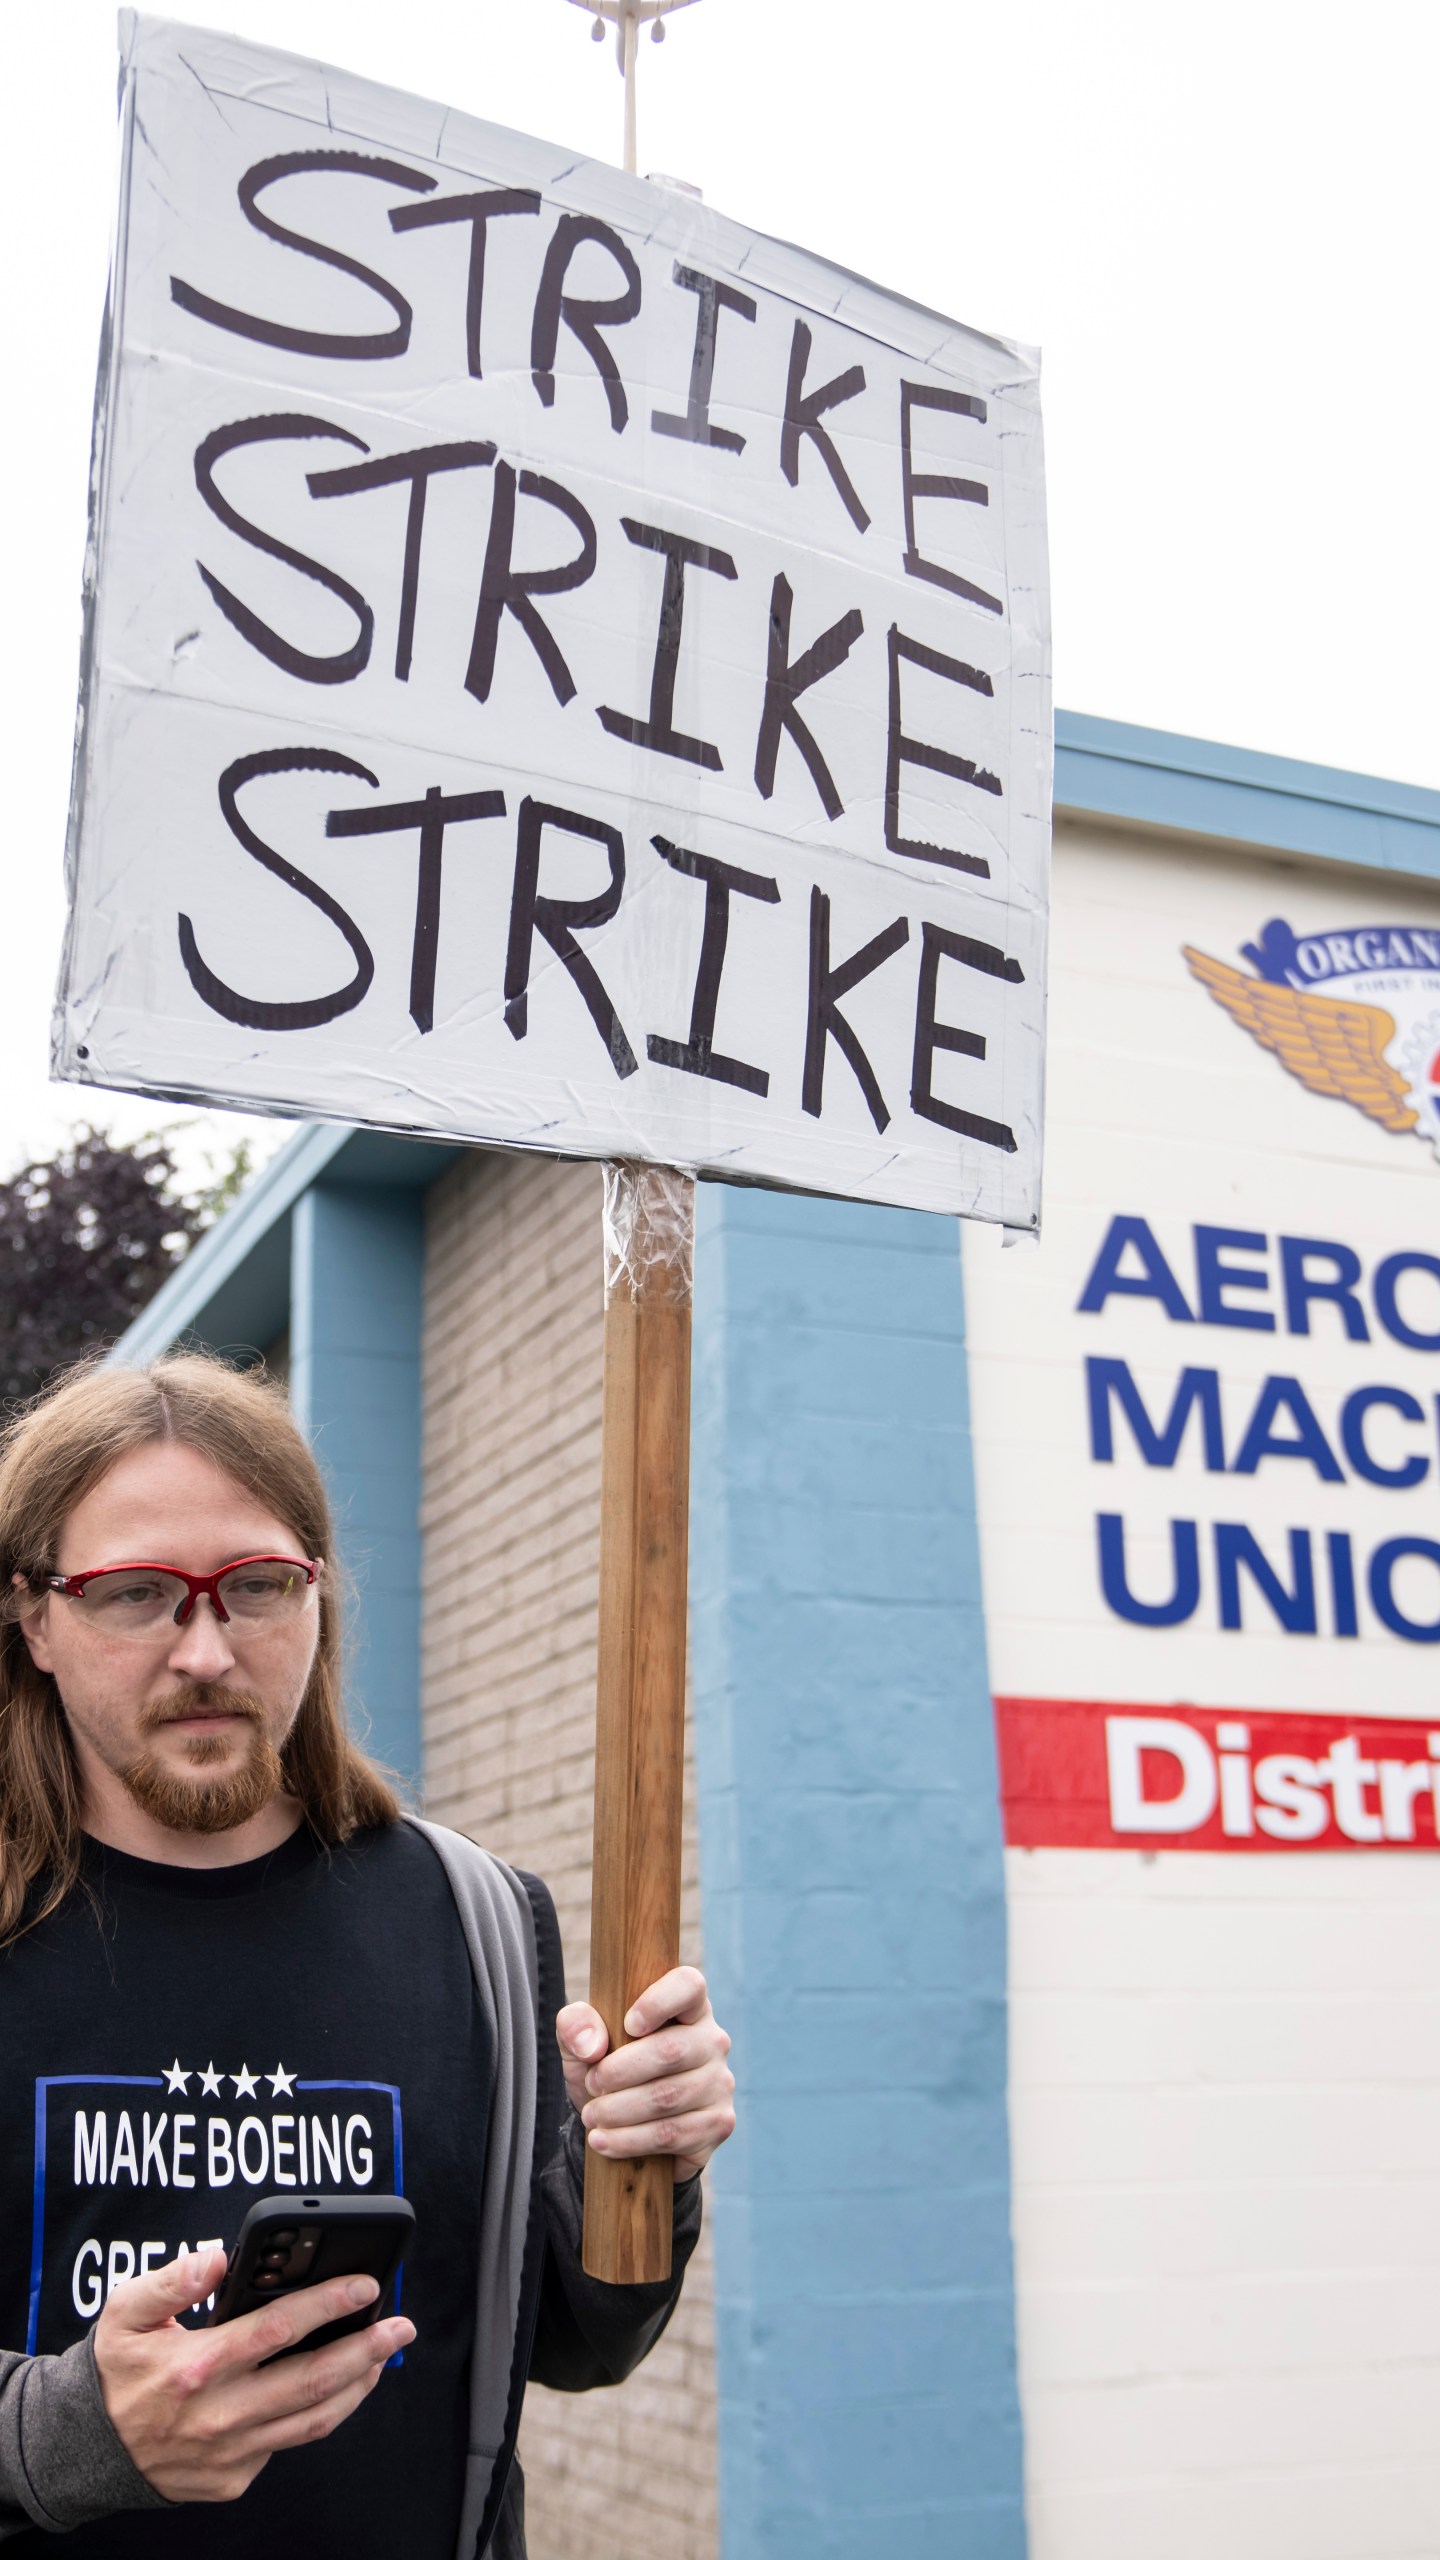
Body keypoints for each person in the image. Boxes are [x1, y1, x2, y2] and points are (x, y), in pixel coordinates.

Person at [0, 1355, 734, 2556]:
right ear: (35, 1617)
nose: (203, 1650)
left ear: (319, 1593)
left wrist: (639, 2157)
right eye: (134, 1592)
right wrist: (60, 2432)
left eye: (256, 1585)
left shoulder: (481, 1922)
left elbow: (565, 2338)